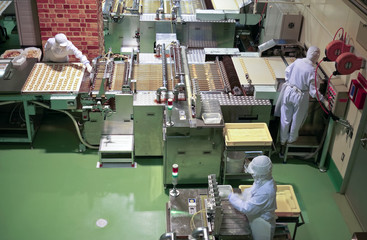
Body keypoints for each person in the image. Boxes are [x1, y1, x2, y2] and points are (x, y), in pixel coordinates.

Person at [278, 46, 324, 155]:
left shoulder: (298, 62)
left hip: (289, 91)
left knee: (285, 117)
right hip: (300, 95)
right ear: (317, 57)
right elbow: (314, 92)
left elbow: (287, 71)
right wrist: (323, 99)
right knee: (297, 119)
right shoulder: (312, 71)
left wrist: (290, 81)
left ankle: (282, 141)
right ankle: (291, 140)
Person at [228, 155, 277, 240]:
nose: (252, 174)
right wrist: (241, 196)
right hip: (255, 219)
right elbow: (252, 191)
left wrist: (231, 197)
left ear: (259, 173)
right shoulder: (263, 180)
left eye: (253, 173)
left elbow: (247, 208)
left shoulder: (266, 192)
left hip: (262, 227)